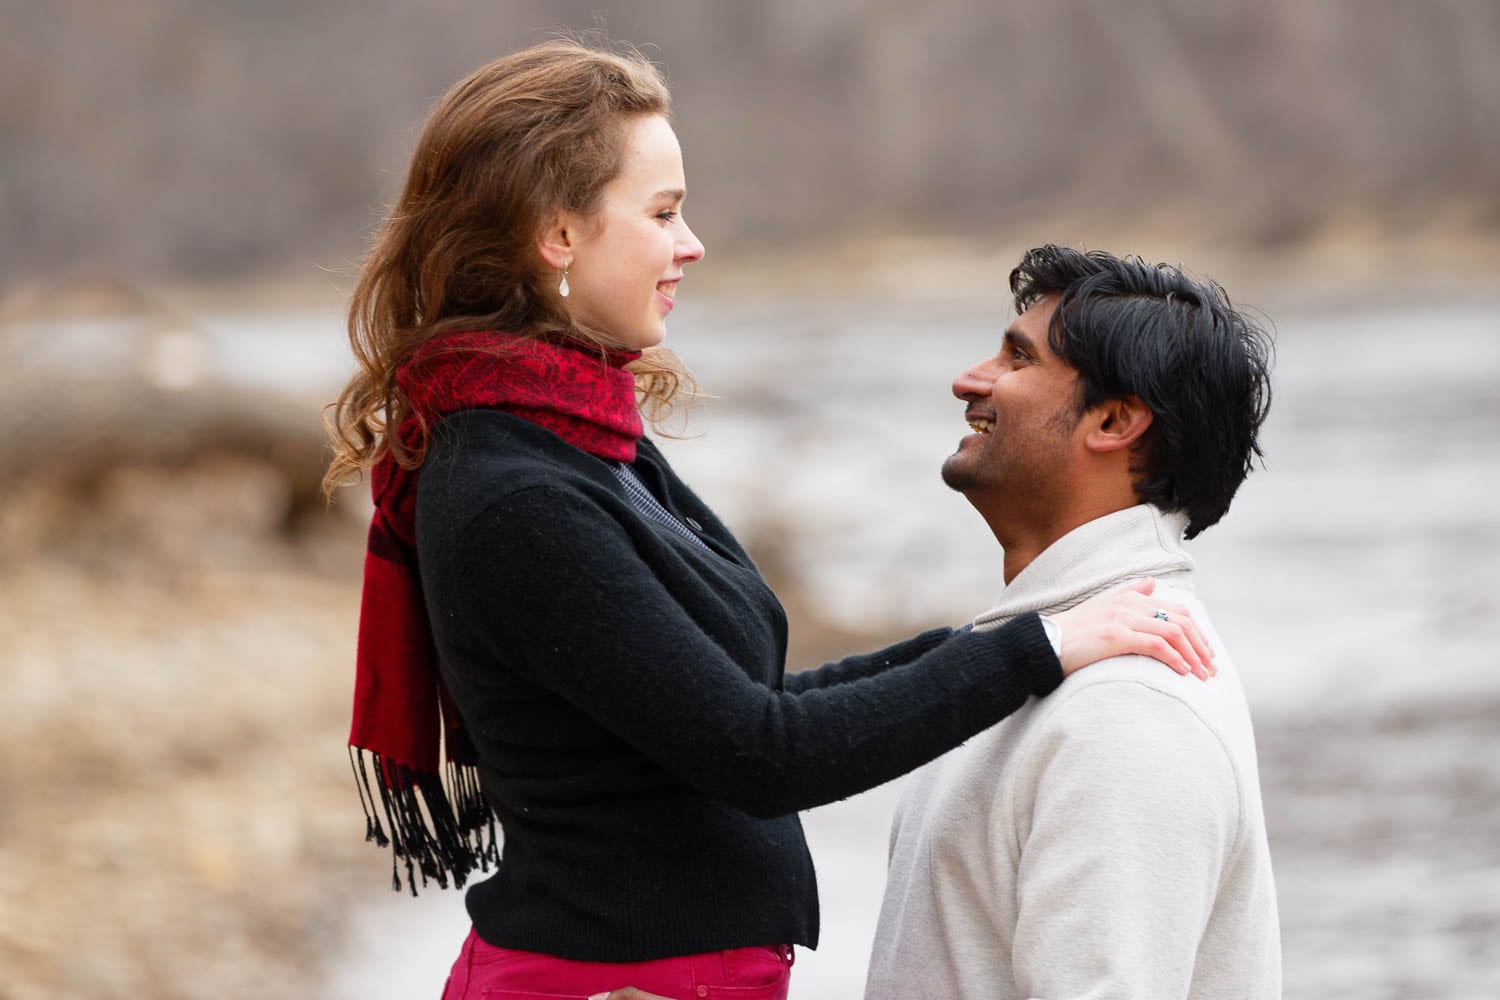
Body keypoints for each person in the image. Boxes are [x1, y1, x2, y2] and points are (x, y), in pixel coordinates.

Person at [322, 39, 1216, 1000]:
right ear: (558, 234)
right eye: (662, 212)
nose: (691, 242)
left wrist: (1017, 637)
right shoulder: (518, 494)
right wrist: (1035, 650)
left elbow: (760, 703)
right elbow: (759, 752)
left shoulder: (579, 438)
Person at [858, 246, 1281, 999]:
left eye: (1016, 360)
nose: (969, 380)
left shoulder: (1126, 710)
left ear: (1115, 421)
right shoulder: (1046, 655)